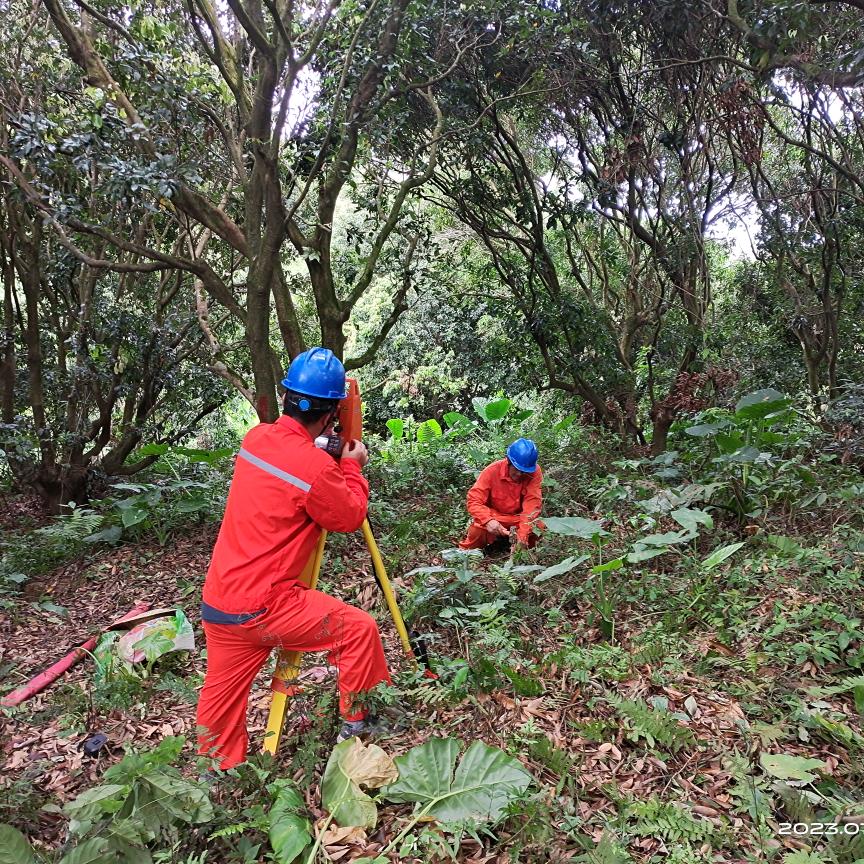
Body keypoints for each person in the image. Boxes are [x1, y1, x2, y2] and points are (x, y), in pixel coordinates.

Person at [196, 348, 391, 770]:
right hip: (268, 607)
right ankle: (357, 726)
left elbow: (290, 461)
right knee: (360, 630)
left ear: (286, 397)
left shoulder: (255, 439)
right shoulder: (317, 467)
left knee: (220, 697)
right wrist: (352, 466)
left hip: (220, 603)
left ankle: (216, 772)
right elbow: (349, 515)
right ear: (332, 412)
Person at [458, 438, 544, 555]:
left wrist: (522, 536)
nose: (519, 474)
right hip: (495, 518)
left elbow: (532, 505)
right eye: (517, 469)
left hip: (518, 519)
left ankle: (523, 552)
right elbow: (474, 500)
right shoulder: (492, 471)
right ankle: (465, 555)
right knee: (477, 530)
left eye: (524, 471)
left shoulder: (534, 472)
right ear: (509, 461)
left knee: (539, 527)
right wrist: (488, 520)